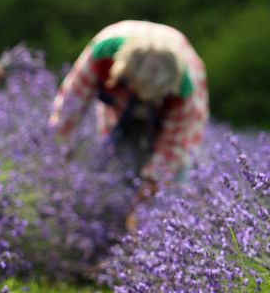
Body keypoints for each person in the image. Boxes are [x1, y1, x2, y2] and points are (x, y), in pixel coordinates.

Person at [48, 20, 209, 232]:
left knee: (172, 188)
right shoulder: (101, 54)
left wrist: (150, 187)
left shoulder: (186, 86)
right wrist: (56, 152)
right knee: (117, 166)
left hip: (169, 112)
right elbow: (71, 104)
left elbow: (175, 145)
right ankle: (110, 229)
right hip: (119, 103)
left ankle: (158, 236)